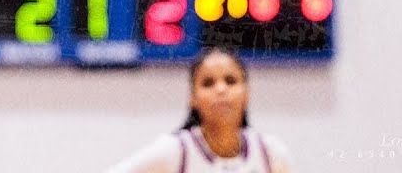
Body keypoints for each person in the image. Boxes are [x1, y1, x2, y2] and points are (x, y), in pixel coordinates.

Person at [103, 47, 293, 173]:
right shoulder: (175, 151)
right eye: (208, 83)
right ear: (192, 98)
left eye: (231, 81)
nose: (221, 89)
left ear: (247, 92)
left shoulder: (271, 153)